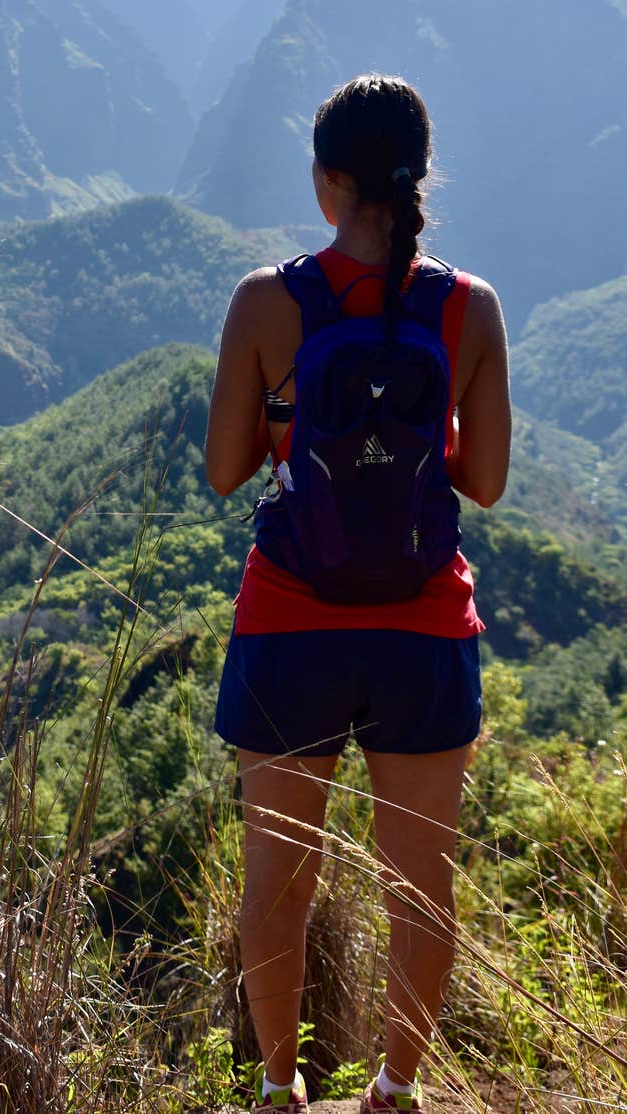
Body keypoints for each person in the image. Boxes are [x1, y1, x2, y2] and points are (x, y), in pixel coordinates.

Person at [204, 74, 511, 1114]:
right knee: (419, 886)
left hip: (291, 622)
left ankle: (280, 1089)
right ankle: (391, 1090)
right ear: (416, 174)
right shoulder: (469, 309)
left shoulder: (263, 301)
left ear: (328, 180)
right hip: (421, 629)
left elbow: (223, 469)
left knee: (275, 886)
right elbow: (487, 482)